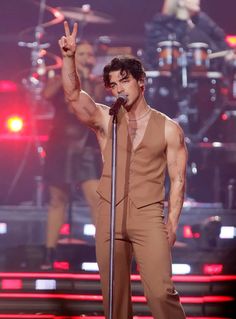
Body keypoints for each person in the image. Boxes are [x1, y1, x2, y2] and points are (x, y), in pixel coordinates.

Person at [59, 21, 188, 319]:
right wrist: (69, 58)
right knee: (114, 295)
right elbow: (73, 96)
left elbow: (178, 179)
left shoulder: (170, 129)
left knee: (160, 291)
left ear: (141, 82)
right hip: (110, 213)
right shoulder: (107, 119)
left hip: (148, 214)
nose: (119, 89)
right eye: (113, 85)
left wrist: (172, 222)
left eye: (124, 81)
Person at [41, 41, 103, 269]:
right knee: (57, 199)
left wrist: (84, 78)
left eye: (90, 54)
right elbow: (48, 94)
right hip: (60, 145)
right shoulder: (58, 80)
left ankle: (102, 255)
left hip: (85, 146)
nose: (87, 57)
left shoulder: (96, 84)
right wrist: (69, 72)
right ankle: (49, 253)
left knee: (95, 199)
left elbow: (92, 107)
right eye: (83, 53)